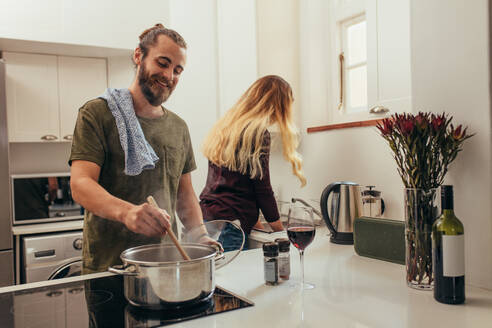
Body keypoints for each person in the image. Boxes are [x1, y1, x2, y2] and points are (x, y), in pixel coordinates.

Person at [69, 23, 211, 274]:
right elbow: (81, 185)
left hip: (167, 266)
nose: (169, 76)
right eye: (163, 63)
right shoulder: (97, 113)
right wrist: (128, 213)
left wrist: (200, 236)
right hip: (109, 267)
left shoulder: (179, 127)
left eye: (178, 70)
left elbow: (184, 194)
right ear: (138, 56)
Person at [199, 75, 306, 250]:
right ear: (277, 106)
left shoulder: (226, 128)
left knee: (215, 276)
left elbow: (236, 183)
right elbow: (262, 189)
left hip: (206, 219)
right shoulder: (257, 134)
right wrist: (280, 232)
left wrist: (255, 221)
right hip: (231, 227)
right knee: (234, 277)